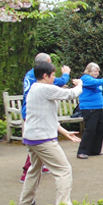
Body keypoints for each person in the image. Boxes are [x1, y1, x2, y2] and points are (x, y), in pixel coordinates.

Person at [18, 62, 83, 205]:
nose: (55, 78)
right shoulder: (44, 88)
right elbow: (71, 94)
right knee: (64, 170)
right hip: (43, 139)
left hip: (32, 137)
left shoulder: (34, 88)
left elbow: (44, 116)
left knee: (34, 169)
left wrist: (64, 132)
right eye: (53, 75)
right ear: (45, 75)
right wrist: (80, 84)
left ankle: (25, 202)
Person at [21, 53, 71, 182]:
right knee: (38, 140)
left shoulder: (31, 73)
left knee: (38, 141)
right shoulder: (36, 75)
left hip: (30, 109)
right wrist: (66, 73)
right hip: (34, 112)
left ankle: (41, 165)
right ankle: (27, 171)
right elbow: (59, 81)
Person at [77, 62, 103, 159]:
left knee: (100, 129)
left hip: (98, 107)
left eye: (98, 71)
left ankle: (94, 150)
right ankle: (81, 151)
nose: (97, 73)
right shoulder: (85, 78)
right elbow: (93, 83)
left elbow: (96, 93)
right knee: (90, 129)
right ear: (89, 71)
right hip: (89, 108)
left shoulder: (96, 81)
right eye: (95, 71)